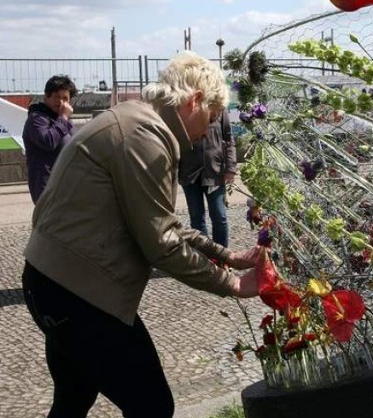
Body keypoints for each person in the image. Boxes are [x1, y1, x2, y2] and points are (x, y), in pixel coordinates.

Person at [21, 51, 260, 418]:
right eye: (210, 120)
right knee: (152, 405)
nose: (206, 132)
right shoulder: (145, 137)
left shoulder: (139, 122)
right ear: (195, 101)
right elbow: (161, 244)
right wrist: (234, 284)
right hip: (78, 293)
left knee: (74, 396)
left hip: (52, 282)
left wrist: (228, 256)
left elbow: (162, 221)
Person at [179, 108, 236, 247]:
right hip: (189, 173)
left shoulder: (219, 108)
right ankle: (205, 258)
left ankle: (223, 258)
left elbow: (228, 139)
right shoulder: (185, 106)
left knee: (219, 216)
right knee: (196, 218)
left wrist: (230, 168)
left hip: (214, 172)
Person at [22, 74, 77, 203]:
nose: (61, 102)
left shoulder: (64, 121)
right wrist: (63, 118)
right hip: (47, 188)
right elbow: (48, 141)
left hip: (67, 186)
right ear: (47, 97)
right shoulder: (36, 119)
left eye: (65, 98)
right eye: (56, 97)